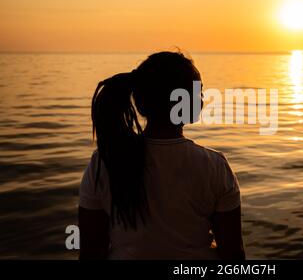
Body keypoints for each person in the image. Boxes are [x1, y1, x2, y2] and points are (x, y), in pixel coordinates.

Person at [78, 51, 245, 260]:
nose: (202, 99)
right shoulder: (215, 167)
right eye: (199, 92)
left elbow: (91, 253)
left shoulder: (104, 163)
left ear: (141, 103)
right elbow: (233, 256)